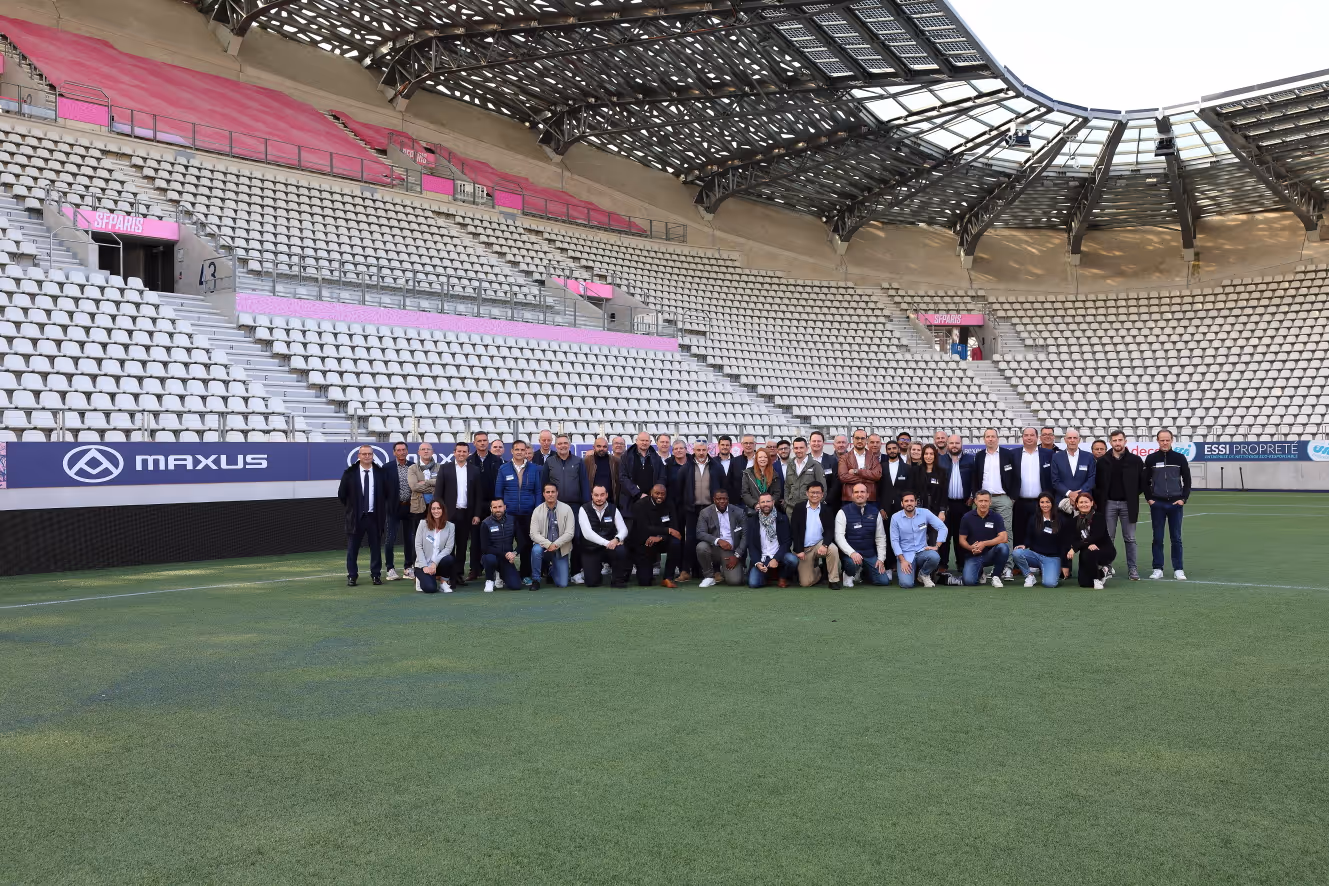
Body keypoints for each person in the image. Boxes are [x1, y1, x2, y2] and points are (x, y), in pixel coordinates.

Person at [671, 439, 725, 583]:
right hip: (692, 509)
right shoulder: (686, 468)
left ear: (708, 450)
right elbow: (679, 490)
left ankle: (716, 571)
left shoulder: (717, 466)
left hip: (711, 509)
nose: (701, 453)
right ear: (693, 451)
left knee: (714, 538)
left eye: (703, 450)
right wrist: (685, 505)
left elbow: (723, 486)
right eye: (698, 450)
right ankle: (685, 571)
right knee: (690, 540)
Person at [1096, 429, 1145, 580]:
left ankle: (1133, 569)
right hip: (1108, 504)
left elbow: (1142, 482)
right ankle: (1107, 567)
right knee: (1108, 538)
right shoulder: (1102, 461)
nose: (1117, 443)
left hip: (1128, 505)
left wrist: (1131, 494)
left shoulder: (1135, 460)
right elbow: (1098, 484)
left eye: (1120, 440)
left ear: (1125, 441)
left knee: (1130, 538)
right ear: (1110, 442)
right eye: (1114, 440)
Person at [339, 444, 391, 586]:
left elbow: (387, 493)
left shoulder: (380, 473)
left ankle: (376, 575)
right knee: (352, 549)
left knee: (375, 548)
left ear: (373, 455)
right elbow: (342, 494)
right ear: (359, 456)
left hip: (375, 517)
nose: (367, 456)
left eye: (369, 454)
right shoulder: (349, 473)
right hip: (356, 518)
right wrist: (353, 508)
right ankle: (352, 576)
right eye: (364, 454)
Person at [1144, 428, 1191, 581]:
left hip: (1175, 504)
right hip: (1157, 504)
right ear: (1157, 441)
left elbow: (1187, 480)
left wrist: (1183, 499)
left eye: (1167, 440)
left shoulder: (1180, 458)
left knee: (1176, 538)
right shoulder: (1151, 459)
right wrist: (1150, 499)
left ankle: (1178, 569)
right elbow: (1145, 481)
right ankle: (1158, 568)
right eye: (1162, 440)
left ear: (1172, 440)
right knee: (1157, 538)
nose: (1165, 443)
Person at [494, 440, 544, 584]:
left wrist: (537, 510)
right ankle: (503, 574)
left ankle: (525, 575)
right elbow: (499, 492)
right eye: (517, 449)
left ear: (526, 451)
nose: (520, 452)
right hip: (509, 514)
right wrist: (502, 510)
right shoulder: (503, 469)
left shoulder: (534, 469)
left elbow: (538, 491)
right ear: (512, 451)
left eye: (522, 450)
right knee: (506, 544)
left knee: (526, 544)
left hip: (528, 513)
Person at [970, 427, 1016, 579]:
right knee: (980, 532)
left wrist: (1012, 497)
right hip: (983, 500)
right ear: (984, 439)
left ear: (997, 438)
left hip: (1003, 497)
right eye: (987, 437)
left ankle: (1007, 567)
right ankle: (981, 567)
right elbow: (975, 477)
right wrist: (976, 497)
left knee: (1006, 533)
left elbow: (1016, 476)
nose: (990, 439)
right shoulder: (979, 456)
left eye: (992, 436)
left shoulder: (1007, 454)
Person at [435, 440, 481, 587]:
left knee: (462, 546)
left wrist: (477, 514)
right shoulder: (445, 468)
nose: (461, 454)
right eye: (459, 451)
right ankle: (449, 575)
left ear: (468, 453)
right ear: (454, 453)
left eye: (464, 451)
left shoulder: (474, 470)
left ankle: (459, 574)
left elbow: (478, 495)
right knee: (448, 546)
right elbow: (438, 494)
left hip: (466, 514)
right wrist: (439, 514)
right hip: (448, 514)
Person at [835, 482, 891, 587]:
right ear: (852, 495)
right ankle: (849, 574)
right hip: (851, 555)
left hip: (869, 554)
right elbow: (839, 537)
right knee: (851, 563)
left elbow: (880, 537)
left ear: (867, 495)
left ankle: (862, 572)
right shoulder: (842, 512)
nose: (859, 494)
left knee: (883, 581)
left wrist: (881, 559)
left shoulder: (875, 512)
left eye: (862, 492)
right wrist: (852, 553)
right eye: (856, 492)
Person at [890, 491, 948, 588]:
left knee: (935, 557)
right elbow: (894, 541)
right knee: (906, 584)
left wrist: (937, 546)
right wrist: (902, 560)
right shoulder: (895, 518)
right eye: (906, 501)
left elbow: (942, 528)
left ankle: (923, 574)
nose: (909, 503)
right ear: (902, 503)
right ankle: (912, 572)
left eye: (911, 501)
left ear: (916, 502)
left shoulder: (925, 513)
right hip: (905, 555)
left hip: (922, 551)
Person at [1012, 427, 1054, 561]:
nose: (1029, 438)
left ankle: (1040, 561)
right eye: (1026, 435)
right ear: (1022, 437)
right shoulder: (1014, 454)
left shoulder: (1048, 454)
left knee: (1040, 532)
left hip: (1041, 502)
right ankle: (1018, 563)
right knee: (1019, 531)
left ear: (1037, 437)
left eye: (1032, 435)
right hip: (1020, 501)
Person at [1013, 492, 1071, 588]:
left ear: (1052, 503)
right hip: (1036, 556)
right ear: (1039, 504)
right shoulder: (1034, 518)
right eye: (1042, 502)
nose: (1045, 505)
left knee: (1050, 584)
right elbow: (1029, 536)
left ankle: (1050, 571)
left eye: (1047, 502)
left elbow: (1065, 544)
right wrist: (1025, 545)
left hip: (1052, 558)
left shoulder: (1061, 519)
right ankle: (1029, 575)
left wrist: (1065, 565)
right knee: (1017, 553)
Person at [577, 484, 630, 587]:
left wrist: (617, 539)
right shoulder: (583, 509)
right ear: (592, 495)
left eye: (602, 495)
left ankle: (618, 580)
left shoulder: (613, 508)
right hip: (591, 548)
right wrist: (607, 543)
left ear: (606, 495)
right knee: (592, 583)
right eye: (596, 495)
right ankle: (596, 571)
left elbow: (623, 529)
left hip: (610, 547)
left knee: (621, 550)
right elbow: (587, 533)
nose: (599, 498)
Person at [629, 483, 681, 587]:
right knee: (644, 582)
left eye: (662, 494)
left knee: (675, 543)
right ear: (651, 493)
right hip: (645, 542)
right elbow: (643, 528)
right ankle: (647, 574)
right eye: (657, 493)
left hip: (663, 540)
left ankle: (668, 578)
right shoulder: (640, 505)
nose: (660, 496)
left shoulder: (669, 504)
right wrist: (667, 530)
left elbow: (674, 529)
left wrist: (660, 537)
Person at [789, 482, 840, 588]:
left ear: (822, 494)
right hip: (804, 549)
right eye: (812, 492)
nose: (815, 495)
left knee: (833, 549)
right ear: (807, 493)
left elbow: (830, 530)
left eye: (818, 492)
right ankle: (820, 570)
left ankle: (833, 580)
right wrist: (799, 550)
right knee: (805, 583)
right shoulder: (799, 508)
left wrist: (825, 545)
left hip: (819, 545)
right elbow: (794, 530)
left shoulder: (827, 509)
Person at [468, 430, 503, 581]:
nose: (482, 443)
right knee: (475, 540)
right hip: (475, 506)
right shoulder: (469, 461)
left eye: (484, 440)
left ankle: (497, 569)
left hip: (493, 505)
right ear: (474, 443)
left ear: (488, 442)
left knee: (495, 538)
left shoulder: (497, 461)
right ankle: (475, 569)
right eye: (479, 441)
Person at [528, 481, 575, 590]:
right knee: (536, 550)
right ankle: (536, 580)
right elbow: (533, 534)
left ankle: (551, 570)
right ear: (543, 494)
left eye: (553, 492)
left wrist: (556, 544)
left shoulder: (567, 509)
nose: (550, 494)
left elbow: (570, 533)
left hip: (560, 548)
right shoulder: (537, 511)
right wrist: (548, 544)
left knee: (562, 584)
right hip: (543, 547)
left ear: (557, 493)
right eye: (548, 492)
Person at [696, 489, 746, 587]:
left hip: (731, 551)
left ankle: (726, 571)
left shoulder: (739, 512)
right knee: (701, 547)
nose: (722, 501)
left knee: (735, 581)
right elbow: (700, 533)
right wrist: (718, 541)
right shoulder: (705, 512)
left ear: (728, 499)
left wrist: (737, 555)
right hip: (713, 548)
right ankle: (709, 577)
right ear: (714, 499)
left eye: (724, 499)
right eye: (719, 499)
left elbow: (745, 536)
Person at [941, 434, 975, 578]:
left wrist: (972, 496)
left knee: (962, 535)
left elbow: (975, 479)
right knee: (944, 535)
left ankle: (962, 564)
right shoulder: (940, 460)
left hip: (964, 503)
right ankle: (942, 565)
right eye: (951, 443)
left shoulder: (970, 459)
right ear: (947, 444)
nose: (954, 445)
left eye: (957, 443)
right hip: (945, 504)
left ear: (962, 444)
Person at [959, 490, 1010, 587]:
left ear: (990, 502)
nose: (983, 504)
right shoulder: (967, 517)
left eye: (986, 501)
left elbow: (1004, 537)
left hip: (990, 554)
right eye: (980, 501)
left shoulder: (996, 517)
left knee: (1003, 547)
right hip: (973, 555)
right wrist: (971, 548)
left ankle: (996, 576)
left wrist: (984, 543)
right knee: (969, 582)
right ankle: (980, 572)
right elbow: (961, 539)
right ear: (975, 501)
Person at [745, 492, 796, 588]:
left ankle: (783, 577)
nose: (765, 504)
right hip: (762, 558)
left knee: (792, 560)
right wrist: (757, 562)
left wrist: (776, 559)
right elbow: (751, 545)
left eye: (768, 501)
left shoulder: (782, 518)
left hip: (779, 556)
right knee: (753, 583)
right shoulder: (752, 521)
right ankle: (767, 575)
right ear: (759, 504)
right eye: (763, 502)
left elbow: (787, 542)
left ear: (773, 502)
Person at [1068, 492, 1116, 589]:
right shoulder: (1075, 520)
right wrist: (1084, 544)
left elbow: (1096, 536)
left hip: (1104, 549)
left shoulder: (1099, 517)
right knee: (1084, 583)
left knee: (1090, 551)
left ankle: (1097, 578)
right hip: (1086, 550)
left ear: (1091, 503)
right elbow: (1074, 539)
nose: (1084, 504)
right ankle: (1104, 572)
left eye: (1086, 502)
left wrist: (1075, 548)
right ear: (1077, 504)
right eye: (1081, 502)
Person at [383, 440, 415, 582]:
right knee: (390, 539)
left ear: (407, 451)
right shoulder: (387, 467)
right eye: (399, 450)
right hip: (393, 508)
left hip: (410, 508)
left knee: (410, 539)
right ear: (394, 452)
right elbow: (382, 489)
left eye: (404, 450)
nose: (402, 452)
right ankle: (390, 568)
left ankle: (408, 568)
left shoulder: (413, 466)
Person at [406, 442, 439, 578]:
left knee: (436, 538)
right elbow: (414, 486)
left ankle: (436, 568)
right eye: (423, 449)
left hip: (436, 509)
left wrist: (425, 482)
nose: (426, 451)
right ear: (418, 452)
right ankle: (418, 567)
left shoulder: (440, 467)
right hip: (418, 508)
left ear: (432, 452)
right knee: (419, 539)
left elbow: (440, 483)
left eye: (428, 449)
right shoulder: (412, 468)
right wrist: (432, 484)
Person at [413, 499, 455, 594]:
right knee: (430, 589)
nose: (436, 511)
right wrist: (424, 566)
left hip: (438, 564)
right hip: (423, 564)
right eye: (433, 509)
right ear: (430, 511)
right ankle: (421, 578)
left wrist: (434, 563)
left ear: (443, 510)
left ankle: (443, 582)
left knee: (449, 559)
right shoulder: (423, 524)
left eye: (438, 508)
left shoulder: (450, 526)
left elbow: (448, 548)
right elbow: (418, 546)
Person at [479, 497, 521, 593]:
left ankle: (500, 574)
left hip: (506, 559)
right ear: (491, 509)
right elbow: (485, 548)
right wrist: (504, 554)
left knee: (516, 586)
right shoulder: (485, 523)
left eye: (500, 506)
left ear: (504, 507)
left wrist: (514, 553)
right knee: (489, 559)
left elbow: (521, 541)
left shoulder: (512, 520)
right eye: (495, 507)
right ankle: (489, 580)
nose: (498, 509)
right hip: (492, 556)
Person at [620, 430, 665, 516]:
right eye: (642, 440)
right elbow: (623, 477)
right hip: (630, 501)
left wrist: (655, 493)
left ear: (650, 442)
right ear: (636, 441)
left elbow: (662, 476)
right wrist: (637, 493)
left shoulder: (656, 458)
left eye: (646, 441)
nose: (644, 443)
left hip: (651, 500)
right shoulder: (626, 457)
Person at [1051, 429, 1097, 510]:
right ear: (1065, 440)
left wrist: (1079, 494)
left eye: (1075, 438)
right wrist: (1069, 493)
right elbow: (1055, 480)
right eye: (1069, 438)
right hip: (1063, 501)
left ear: (1079, 440)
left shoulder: (1089, 457)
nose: (1072, 440)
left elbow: (1092, 478)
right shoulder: (1056, 457)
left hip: (1084, 501)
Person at [838, 429, 882, 502]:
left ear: (866, 440)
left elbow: (877, 475)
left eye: (862, 438)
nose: (860, 441)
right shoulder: (844, 458)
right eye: (857, 438)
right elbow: (843, 477)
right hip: (850, 498)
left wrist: (857, 471)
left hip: (869, 498)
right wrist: (868, 479)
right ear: (853, 439)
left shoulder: (873, 457)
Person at [782, 436, 821, 516]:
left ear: (807, 449)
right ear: (793, 449)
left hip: (809, 509)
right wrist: (787, 502)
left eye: (801, 448)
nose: (798, 450)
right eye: (796, 448)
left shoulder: (815, 465)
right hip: (791, 509)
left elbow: (822, 487)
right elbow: (787, 486)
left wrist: (816, 506)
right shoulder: (790, 465)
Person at [582, 435, 620, 514]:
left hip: (610, 502)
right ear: (594, 447)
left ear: (608, 448)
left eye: (604, 446)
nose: (602, 449)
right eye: (599, 446)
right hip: (591, 502)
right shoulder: (586, 461)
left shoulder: (615, 461)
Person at [742, 447, 784, 511]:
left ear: (768, 459)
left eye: (765, 457)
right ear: (756, 459)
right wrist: (755, 504)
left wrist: (769, 503)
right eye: (760, 457)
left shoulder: (774, 474)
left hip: (769, 509)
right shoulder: (748, 473)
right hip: (754, 509)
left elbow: (777, 493)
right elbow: (745, 493)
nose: (763, 459)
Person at [878, 439, 911, 516]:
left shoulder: (907, 468)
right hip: (885, 508)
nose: (892, 451)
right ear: (886, 451)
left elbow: (910, 488)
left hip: (902, 507)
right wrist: (881, 508)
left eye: (894, 448)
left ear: (899, 450)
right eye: (889, 449)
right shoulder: (881, 467)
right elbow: (878, 489)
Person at [809, 431, 841, 510]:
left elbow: (836, 483)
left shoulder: (832, 460)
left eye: (819, 441)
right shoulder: (805, 460)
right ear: (809, 442)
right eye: (814, 441)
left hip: (827, 504)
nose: (816, 443)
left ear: (823, 443)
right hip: (808, 503)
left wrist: (826, 500)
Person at [714, 434, 742, 502]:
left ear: (731, 446)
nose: (725, 447)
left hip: (734, 500)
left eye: (727, 445)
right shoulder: (712, 462)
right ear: (718, 446)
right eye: (722, 445)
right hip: (716, 499)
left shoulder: (737, 462)